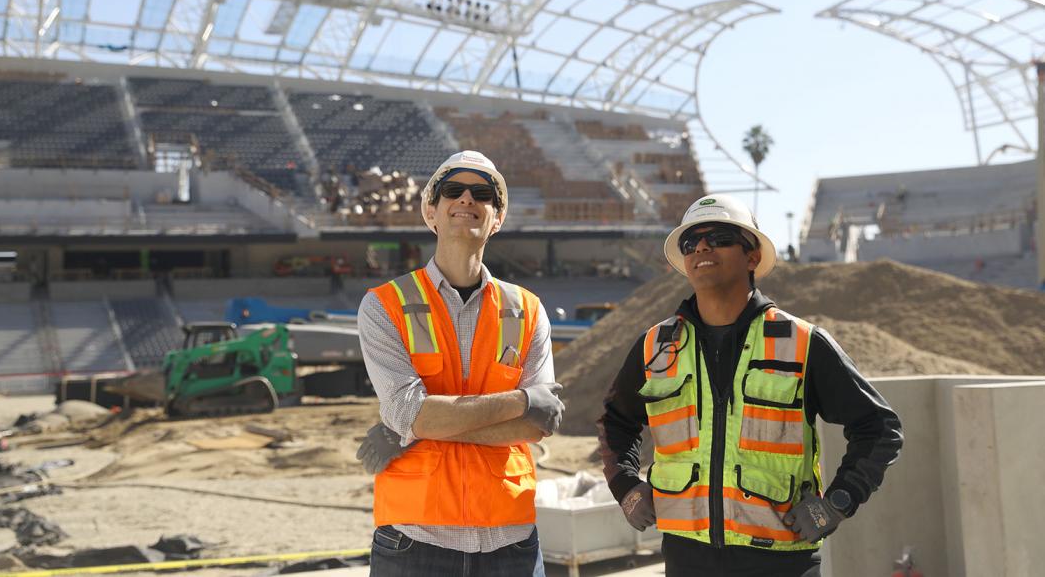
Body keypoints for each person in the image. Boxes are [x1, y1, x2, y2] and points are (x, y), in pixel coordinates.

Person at [598, 194, 903, 577]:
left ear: (753, 256)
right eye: (691, 242)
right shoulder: (656, 347)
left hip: (781, 561)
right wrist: (625, 487)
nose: (703, 247)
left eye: (720, 236)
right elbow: (615, 421)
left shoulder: (803, 343)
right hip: (687, 559)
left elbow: (878, 428)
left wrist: (838, 502)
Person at [355, 150, 563, 577]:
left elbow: (538, 423)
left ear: (496, 218)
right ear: (431, 211)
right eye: (454, 190)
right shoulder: (384, 305)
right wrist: (521, 399)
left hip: (510, 537)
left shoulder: (527, 309)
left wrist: (417, 430)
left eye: (482, 193)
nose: (467, 199)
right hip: (416, 538)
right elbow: (409, 412)